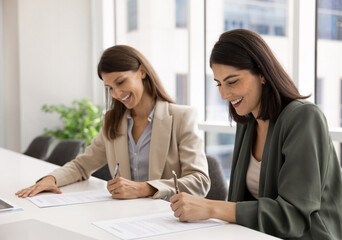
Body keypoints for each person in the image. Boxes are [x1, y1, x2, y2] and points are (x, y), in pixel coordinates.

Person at [170, 29, 342, 240]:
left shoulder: (304, 118)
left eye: (232, 81)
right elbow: (243, 203)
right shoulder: (247, 122)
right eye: (219, 84)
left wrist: (211, 207)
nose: (223, 94)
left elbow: (292, 216)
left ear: (262, 74)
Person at [16, 45, 210, 201]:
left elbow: (200, 182)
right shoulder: (113, 121)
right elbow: (83, 165)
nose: (116, 94)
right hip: (124, 217)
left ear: (142, 72)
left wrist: (144, 188)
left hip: (167, 218)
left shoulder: (182, 117)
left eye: (120, 82)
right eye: (109, 88)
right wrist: (51, 179)